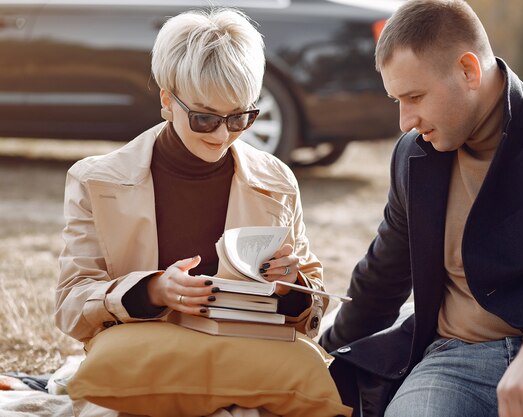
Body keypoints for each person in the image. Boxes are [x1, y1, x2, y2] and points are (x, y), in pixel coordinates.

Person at [319, 1, 523, 417]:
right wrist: (321, 353)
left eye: (414, 96)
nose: (405, 120)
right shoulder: (412, 155)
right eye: (397, 100)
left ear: (468, 70)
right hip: (456, 359)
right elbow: (382, 277)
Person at [56, 8, 327, 417]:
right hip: (141, 356)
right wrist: (150, 290)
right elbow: (70, 303)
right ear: (167, 99)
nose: (223, 135)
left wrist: (291, 286)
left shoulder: (277, 180)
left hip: (248, 356)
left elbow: (313, 308)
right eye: (204, 118)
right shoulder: (96, 180)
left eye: (240, 117)